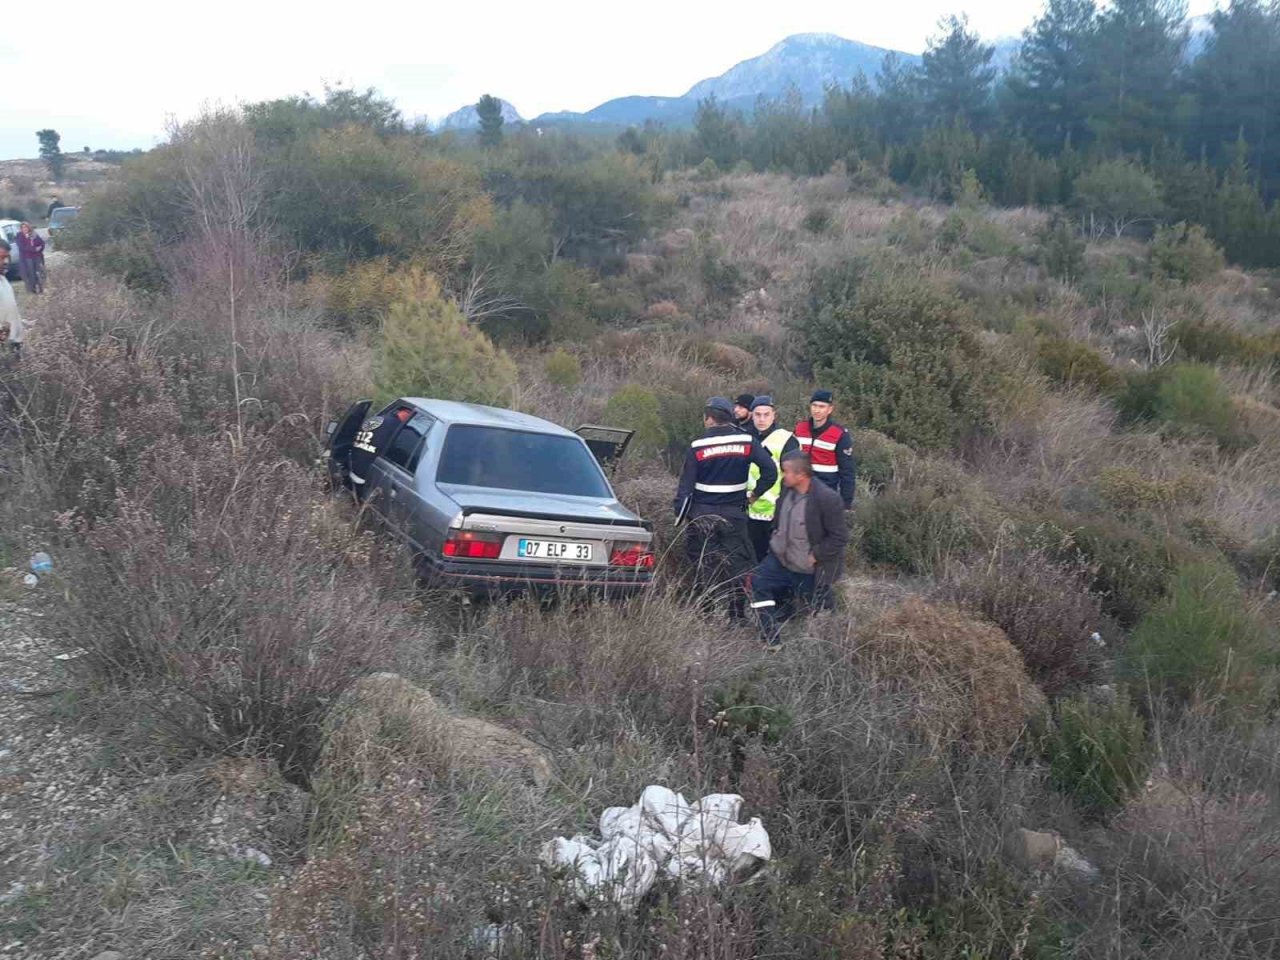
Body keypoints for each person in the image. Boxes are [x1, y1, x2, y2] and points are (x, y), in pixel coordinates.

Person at [674, 396, 778, 617]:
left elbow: (685, 488)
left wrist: (681, 516)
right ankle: (736, 613)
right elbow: (770, 471)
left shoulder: (697, 446)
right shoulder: (747, 441)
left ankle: (706, 611)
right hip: (736, 514)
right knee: (738, 565)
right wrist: (755, 495)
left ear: (709, 419)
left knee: (704, 564)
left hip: (703, 514)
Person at [750, 452, 849, 648]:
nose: (782, 475)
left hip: (807, 567)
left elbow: (840, 537)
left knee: (823, 610)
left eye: (785, 472)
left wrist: (815, 556)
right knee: (759, 584)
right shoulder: (787, 490)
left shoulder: (827, 499)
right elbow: (779, 519)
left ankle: (832, 645)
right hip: (779, 559)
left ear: (801, 474)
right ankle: (771, 640)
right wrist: (775, 539)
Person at [745, 396, 798, 561]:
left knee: (776, 560)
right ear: (751, 415)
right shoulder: (746, 437)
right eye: (757, 414)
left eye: (766, 414)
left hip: (776, 512)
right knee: (753, 558)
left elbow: (795, 478)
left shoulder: (787, 440)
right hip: (749, 511)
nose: (761, 419)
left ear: (774, 415)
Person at [794, 389, 856, 509]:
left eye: (822, 407)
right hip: (799, 492)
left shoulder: (839, 434)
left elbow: (847, 472)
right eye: (814, 406)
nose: (817, 410)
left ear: (830, 409)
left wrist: (845, 503)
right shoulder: (800, 428)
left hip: (825, 493)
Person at [347, 404, 414, 498]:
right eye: (410, 416)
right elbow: (397, 452)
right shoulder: (396, 428)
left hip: (353, 467)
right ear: (406, 413)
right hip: (367, 477)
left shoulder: (378, 419)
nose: (410, 420)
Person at [0, 246, 27, 358]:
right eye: (1, 258)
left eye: (7, 257)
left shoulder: (3, 280)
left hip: (14, 334)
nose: (6, 262)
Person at [15, 223, 45, 294]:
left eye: (26, 227)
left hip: (36, 256)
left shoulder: (34, 234)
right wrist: (34, 249)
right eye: (23, 228)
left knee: (38, 272)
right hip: (27, 258)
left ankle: (41, 288)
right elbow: (22, 247)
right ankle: (33, 290)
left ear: (29, 228)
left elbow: (41, 243)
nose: (25, 229)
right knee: (31, 273)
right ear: (21, 229)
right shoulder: (19, 236)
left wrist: (40, 248)